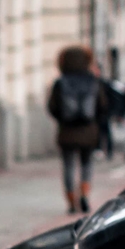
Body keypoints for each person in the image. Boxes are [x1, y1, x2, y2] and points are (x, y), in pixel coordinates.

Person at [46, 44, 104, 214]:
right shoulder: (92, 81)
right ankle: (85, 194)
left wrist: (62, 120)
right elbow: (102, 105)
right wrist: (95, 122)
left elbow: (52, 107)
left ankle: (71, 200)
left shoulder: (60, 83)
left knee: (68, 165)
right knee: (86, 163)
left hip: (67, 131)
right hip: (88, 130)